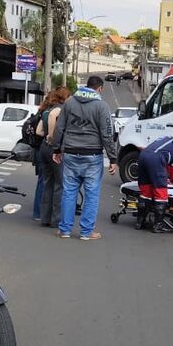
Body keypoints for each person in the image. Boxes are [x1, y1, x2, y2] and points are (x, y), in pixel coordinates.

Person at [52, 76, 118, 240]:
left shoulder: (69, 102)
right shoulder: (102, 106)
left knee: (68, 192)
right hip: (92, 155)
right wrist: (113, 158)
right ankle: (86, 232)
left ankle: (64, 230)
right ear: (100, 89)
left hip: (71, 153)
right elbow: (107, 134)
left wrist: (56, 149)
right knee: (91, 194)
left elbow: (60, 127)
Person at [136, 130, 173, 233]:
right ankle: (158, 225)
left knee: (146, 192)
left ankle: (140, 222)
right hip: (156, 160)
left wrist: (168, 177)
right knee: (161, 193)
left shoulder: (168, 139)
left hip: (143, 156)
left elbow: (167, 163)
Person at [37, 86, 71, 227]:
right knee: (59, 184)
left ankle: (45, 217)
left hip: (43, 148)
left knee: (48, 183)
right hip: (54, 149)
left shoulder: (46, 110)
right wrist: (53, 137)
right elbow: (53, 118)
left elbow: (39, 131)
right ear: (64, 97)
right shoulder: (59, 109)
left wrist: (47, 136)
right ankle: (56, 220)